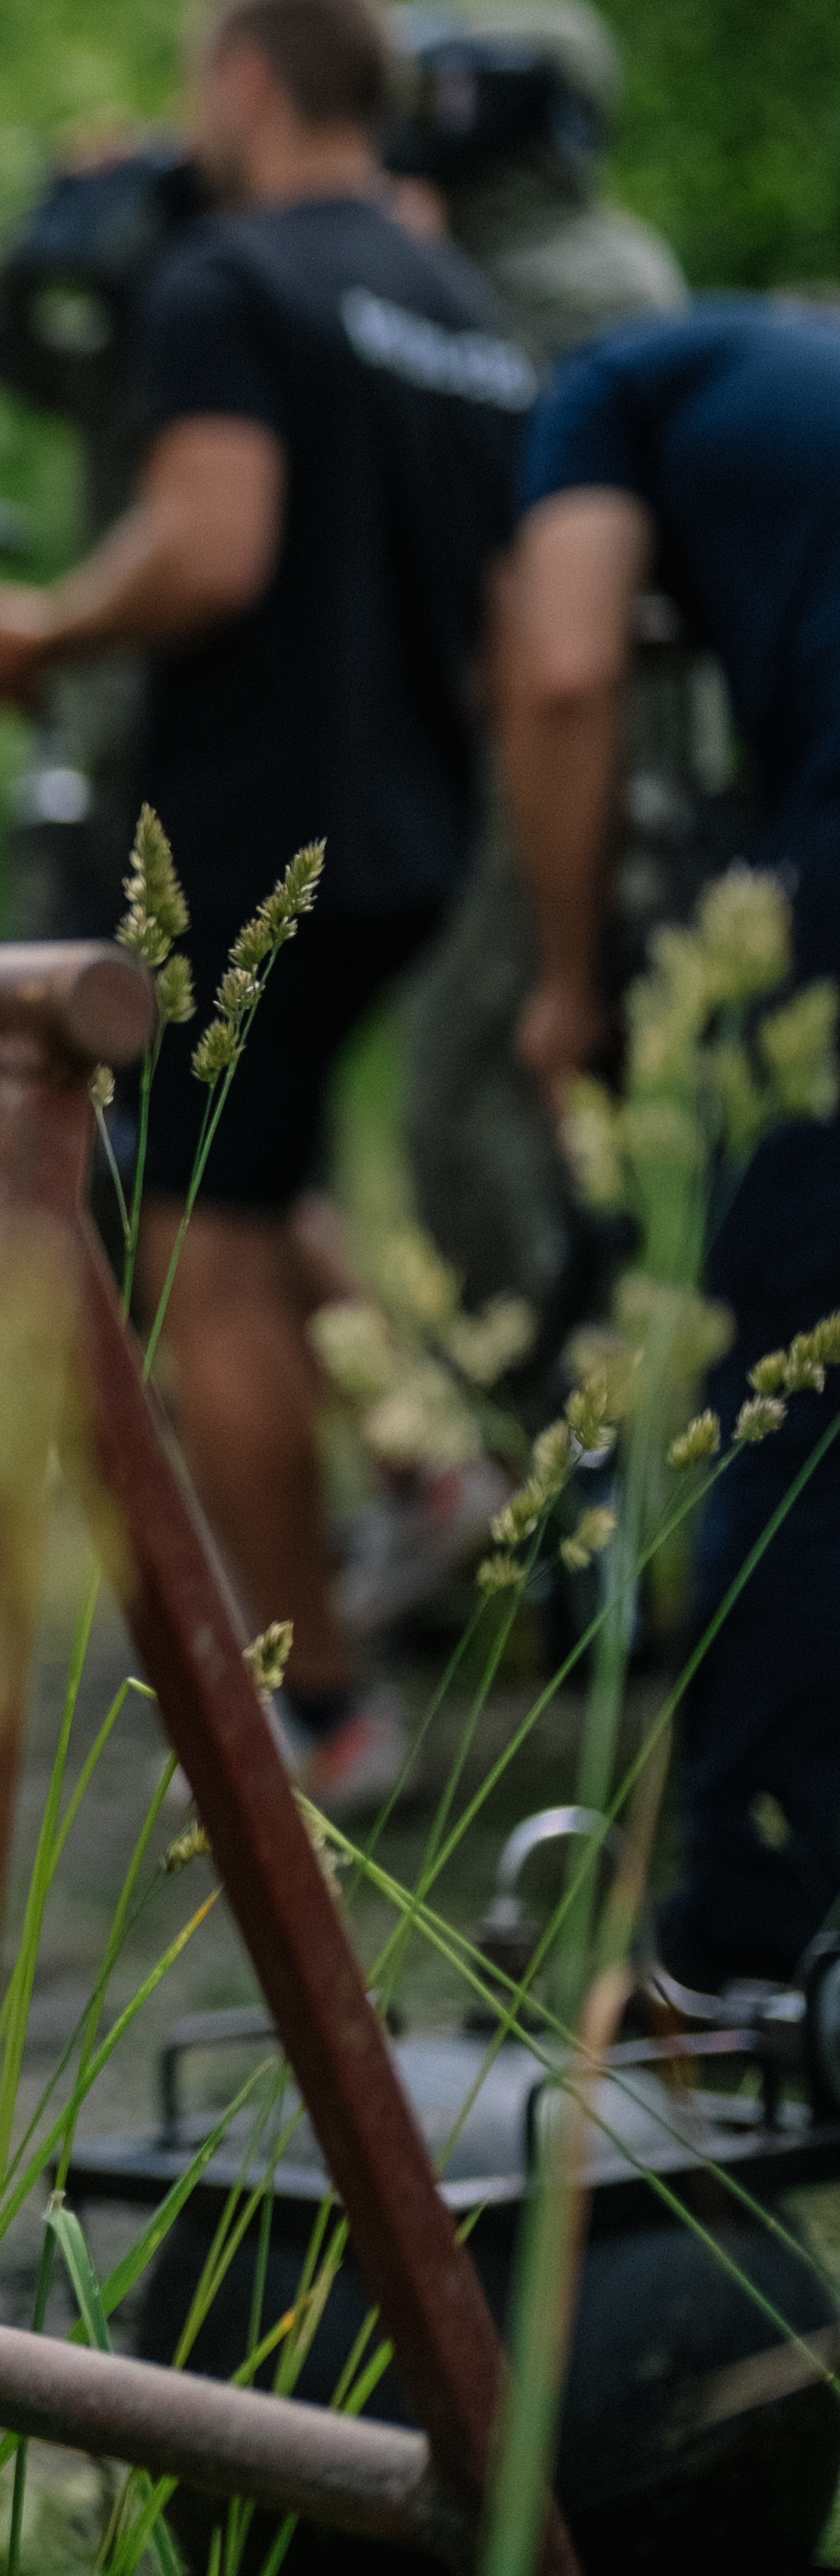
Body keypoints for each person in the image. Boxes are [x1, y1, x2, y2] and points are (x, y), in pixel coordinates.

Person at [0, 0, 536, 1810]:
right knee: (260, 1188)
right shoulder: (457, 297)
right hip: (425, 830)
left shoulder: (228, 280)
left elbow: (207, 544)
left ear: (251, 86)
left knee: (196, 1250)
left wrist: (37, 630)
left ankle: (326, 1703)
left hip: (249, 842)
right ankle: (433, 1464)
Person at [497, 300, 840, 1993]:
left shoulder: (607, 388)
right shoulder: (785, 383)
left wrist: (574, 982)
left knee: (794, 1386)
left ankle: (741, 1962)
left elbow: (565, 661)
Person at [379, 0, 690, 1469]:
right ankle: (543, 1462)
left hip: (578, 732)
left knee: (480, 1081)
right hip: (507, 722)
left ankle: (546, 1473)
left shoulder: (581, 282)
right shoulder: (486, 268)